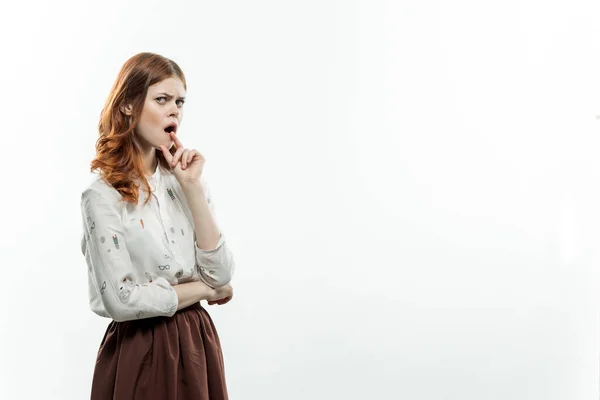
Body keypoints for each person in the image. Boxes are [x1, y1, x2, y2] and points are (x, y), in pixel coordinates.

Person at [80, 52, 235, 400]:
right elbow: (122, 300)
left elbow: (222, 273)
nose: (174, 110)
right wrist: (204, 291)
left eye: (179, 101)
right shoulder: (102, 196)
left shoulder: (187, 182)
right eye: (161, 99)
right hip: (140, 348)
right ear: (128, 106)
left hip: (198, 342)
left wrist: (192, 188)